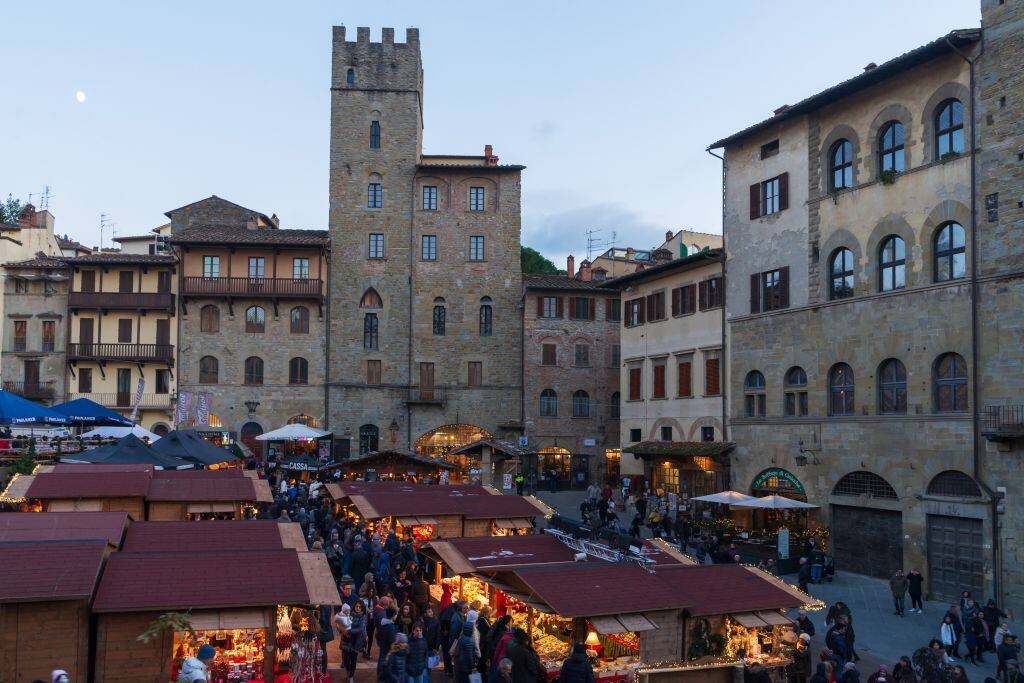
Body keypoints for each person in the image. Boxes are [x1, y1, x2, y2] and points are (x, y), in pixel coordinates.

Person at [342, 601, 367, 683]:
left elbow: (360, 629)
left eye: (360, 607)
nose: (358, 608)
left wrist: (349, 631)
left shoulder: (363, 616)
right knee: (345, 659)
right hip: (347, 640)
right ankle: (348, 672)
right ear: (354, 607)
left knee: (353, 660)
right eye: (357, 606)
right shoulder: (349, 614)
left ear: (362, 608)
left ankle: (351, 676)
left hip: (356, 641)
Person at [376, 606, 398, 680]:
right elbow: (392, 642)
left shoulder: (383, 624)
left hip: (382, 648)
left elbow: (377, 635)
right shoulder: (391, 627)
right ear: (393, 615)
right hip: (387, 651)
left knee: (381, 666)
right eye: (396, 614)